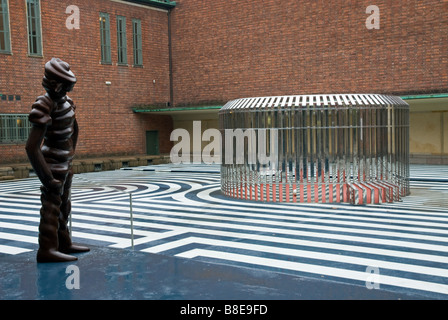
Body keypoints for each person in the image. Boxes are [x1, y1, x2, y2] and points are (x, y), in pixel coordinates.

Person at [26, 58, 89, 262]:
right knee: (51, 208)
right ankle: (47, 248)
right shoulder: (44, 104)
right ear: (55, 84)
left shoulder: (66, 102)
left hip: (65, 164)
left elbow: (74, 128)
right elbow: (31, 147)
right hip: (52, 165)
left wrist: (70, 155)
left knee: (64, 206)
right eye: (67, 84)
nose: (70, 88)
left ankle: (64, 242)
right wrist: (46, 177)